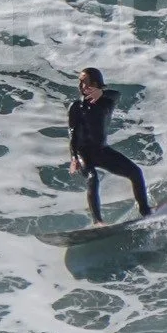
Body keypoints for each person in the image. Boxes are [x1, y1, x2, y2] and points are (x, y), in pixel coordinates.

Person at [67, 67, 150, 222]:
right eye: (79, 82)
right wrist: (73, 158)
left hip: (101, 151)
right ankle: (98, 222)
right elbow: (72, 133)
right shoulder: (75, 107)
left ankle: (146, 211)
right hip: (83, 153)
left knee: (136, 172)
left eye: (84, 82)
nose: (80, 85)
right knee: (92, 178)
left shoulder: (107, 101)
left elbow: (117, 95)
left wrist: (102, 93)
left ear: (95, 83)